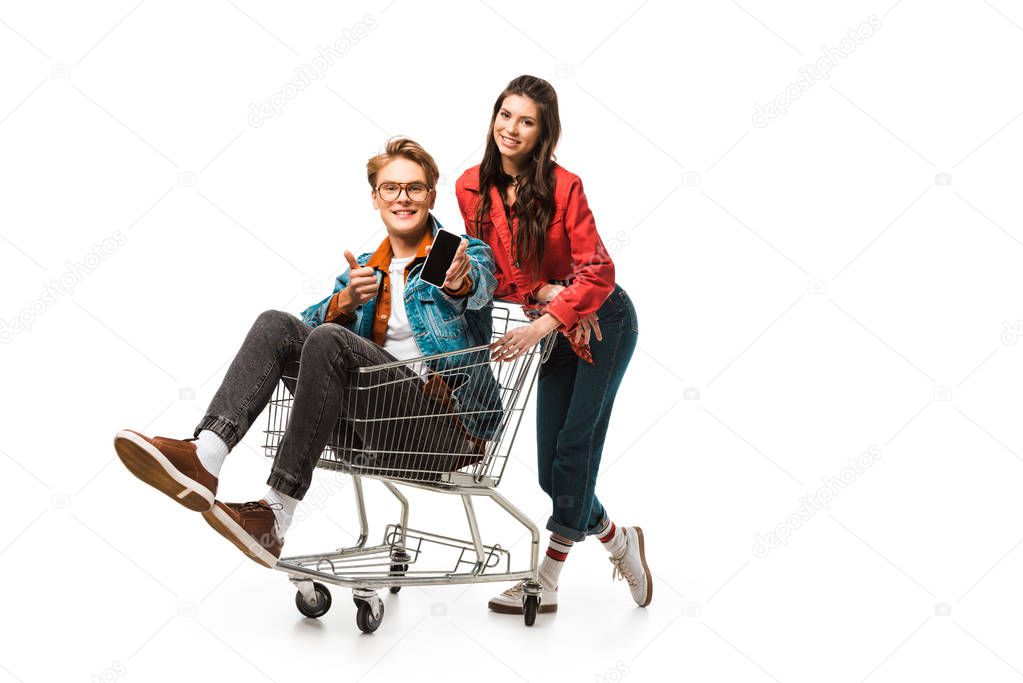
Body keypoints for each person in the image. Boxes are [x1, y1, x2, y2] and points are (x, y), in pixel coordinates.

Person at [115, 137, 499, 568]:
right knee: (275, 323)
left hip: (440, 433)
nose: (402, 198)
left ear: (431, 194)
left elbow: (478, 285)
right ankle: (207, 453)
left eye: (414, 187)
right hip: (365, 432)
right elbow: (299, 335)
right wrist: (344, 304)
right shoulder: (365, 268)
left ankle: (277, 512)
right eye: (391, 188)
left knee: (329, 339)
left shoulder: (462, 252)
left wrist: (458, 281)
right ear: (375, 198)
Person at [455, 75, 649, 615]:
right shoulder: (470, 186)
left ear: (544, 134)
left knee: (573, 453)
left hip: (604, 324)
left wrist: (547, 320)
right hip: (561, 325)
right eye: (505, 115)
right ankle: (618, 541)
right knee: (551, 471)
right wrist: (546, 293)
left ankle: (546, 579)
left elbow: (600, 271)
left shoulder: (565, 187)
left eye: (526, 121)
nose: (511, 128)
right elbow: (490, 270)